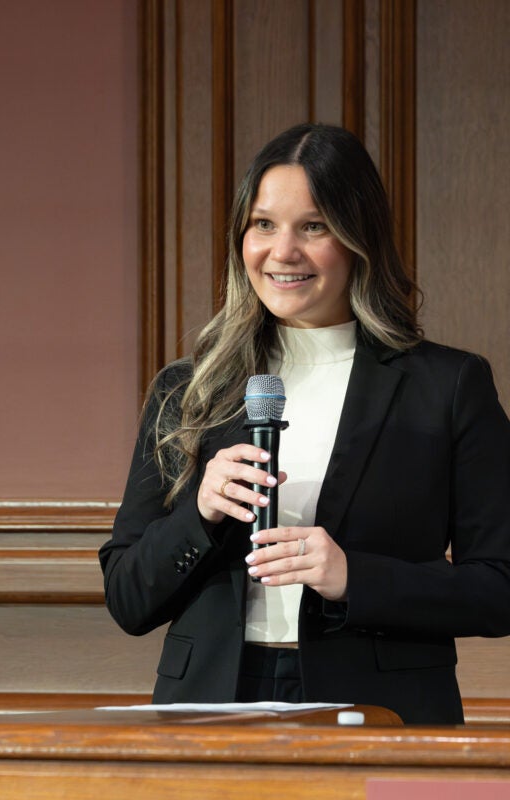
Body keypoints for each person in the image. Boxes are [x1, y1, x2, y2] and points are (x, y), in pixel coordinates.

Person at [98, 122, 510, 724]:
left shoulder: (447, 386)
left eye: (312, 227)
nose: (282, 251)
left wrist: (353, 577)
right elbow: (128, 599)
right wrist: (202, 512)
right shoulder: (188, 389)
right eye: (263, 224)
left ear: (357, 238)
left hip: (381, 711)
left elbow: (499, 587)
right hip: (210, 708)